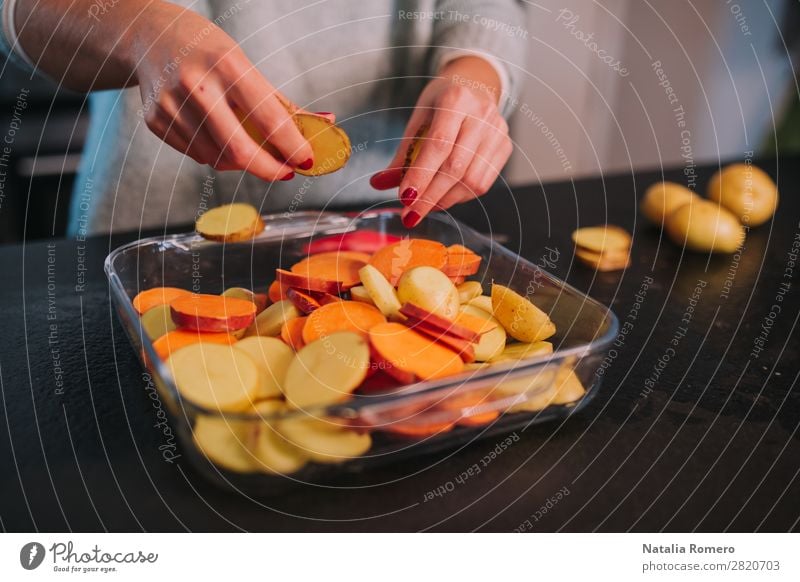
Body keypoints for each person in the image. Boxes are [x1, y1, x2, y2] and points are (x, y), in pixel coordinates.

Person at [1, 0, 525, 234]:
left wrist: (476, 75)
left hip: (373, 225)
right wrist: (142, 29)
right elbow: (23, 10)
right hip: (147, 225)